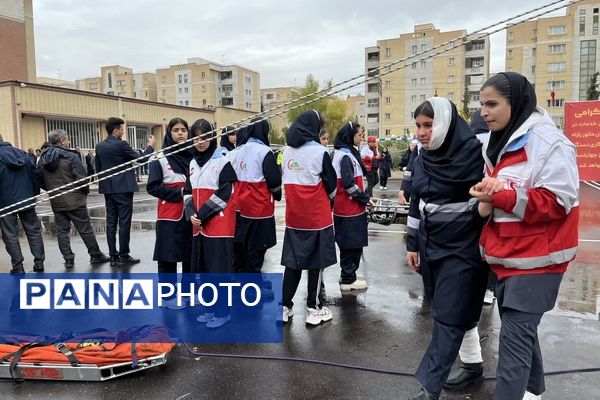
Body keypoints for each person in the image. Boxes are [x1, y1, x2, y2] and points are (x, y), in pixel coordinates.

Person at [470, 72, 579, 400]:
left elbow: (559, 201)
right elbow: (503, 194)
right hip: (507, 258)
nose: (484, 112)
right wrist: (487, 197)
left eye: (492, 104)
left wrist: (499, 196)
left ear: (515, 104)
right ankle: (533, 393)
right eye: (482, 105)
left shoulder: (549, 143)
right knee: (522, 335)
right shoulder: (500, 142)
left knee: (513, 348)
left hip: (538, 263)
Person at [405, 97, 489, 400]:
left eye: (429, 125)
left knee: (449, 317)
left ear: (447, 123)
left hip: (464, 248)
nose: (423, 132)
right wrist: (412, 243)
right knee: (451, 310)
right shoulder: (423, 157)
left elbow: (485, 201)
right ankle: (472, 366)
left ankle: (430, 386)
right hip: (431, 246)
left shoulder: (475, 154)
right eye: (418, 125)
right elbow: (418, 201)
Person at [281, 110, 337, 325]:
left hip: (294, 217)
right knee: (317, 263)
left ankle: (285, 307)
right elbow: (331, 187)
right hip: (317, 218)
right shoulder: (319, 152)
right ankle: (313, 309)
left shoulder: (286, 152)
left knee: (292, 263)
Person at [186, 119, 238, 328]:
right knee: (205, 270)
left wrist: (203, 213)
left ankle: (223, 311)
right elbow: (189, 193)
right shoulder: (192, 162)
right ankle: (210, 308)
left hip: (219, 225)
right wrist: (190, 212)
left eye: (205, 137)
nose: (200, 142)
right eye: (197, 138)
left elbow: (226, 193)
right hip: (199, 224)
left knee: (219, 270)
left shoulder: (222, 160)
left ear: (212, 138)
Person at [37, 129, 110, 268]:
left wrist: (52, 190)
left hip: (57, 200)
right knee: (85, 229)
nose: (69, 142)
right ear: (62, 141)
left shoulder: (42, 160)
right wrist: (84, 192)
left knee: (62, 231)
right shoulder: (70, 157)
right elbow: (81, 179)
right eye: (67, 139)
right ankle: (95, 255)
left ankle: (68, 258)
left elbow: (39, 179)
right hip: (75, 199)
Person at [95, 117, 155, 267]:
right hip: (123, 189)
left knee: (111, 223)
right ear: (115, 131)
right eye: (122, 129)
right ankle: (123, 254)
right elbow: (142, 159)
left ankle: (113, 257)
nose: (123, 132)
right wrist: (150, 147)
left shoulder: (99, 146)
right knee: (124, 222)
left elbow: (98, 167)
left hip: (108, 189)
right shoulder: (121, 145)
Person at [146, 118, 193, 309]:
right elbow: (152, 186)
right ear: (169, 133)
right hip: (169, 215)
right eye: (176, 130)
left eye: (183, 130)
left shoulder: (195, 156)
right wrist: (178, 193)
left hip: (191, 215)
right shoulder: (160, 158)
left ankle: (188, 294)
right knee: (168, 258)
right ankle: (168, 298)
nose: (180, 133)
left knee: (190, 258)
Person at [234, 118, 282, 281]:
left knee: (243, 248)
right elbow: (274, 180)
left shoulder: (239, 150)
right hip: (259, 210)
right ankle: (252, 287)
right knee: (257, 250)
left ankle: (242, 282)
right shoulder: (264, 151)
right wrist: (277, 194)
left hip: (240, 208)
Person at [332, 122, 372, 291]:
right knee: (351, 244)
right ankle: (349, 279)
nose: (361, 138)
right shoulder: (345, 156)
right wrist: (365, 198)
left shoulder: (346, 153)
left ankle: (348, 274)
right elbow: (349, 185)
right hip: (349, 209)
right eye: (359, 135)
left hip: (348, 208)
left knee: (350, 244)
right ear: (350, 136)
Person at [0, 134, 45, 273]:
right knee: (33, 231)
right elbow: (34, 175)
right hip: (26, 198)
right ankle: (39, 263)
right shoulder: (23, 154)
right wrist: (35, 194)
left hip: (4, 202)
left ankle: (18, 266)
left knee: (10, 234)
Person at [399, 140, 419, 205]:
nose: (413, 147)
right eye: (412, 145)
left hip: (418, 178)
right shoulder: (407, 154)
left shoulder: (421, 153)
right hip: (408, 176)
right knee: (406, 193)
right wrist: (403, 168)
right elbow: (400, 165)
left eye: (415, 146)